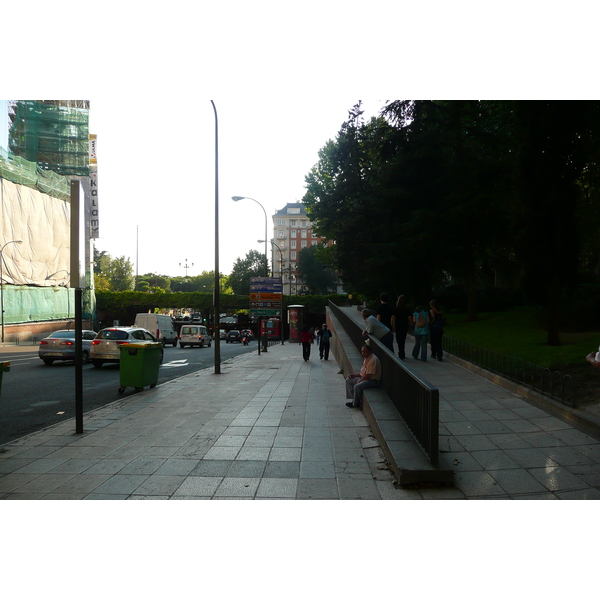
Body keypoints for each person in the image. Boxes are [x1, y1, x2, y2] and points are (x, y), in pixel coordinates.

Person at [392, 295, 411, 360]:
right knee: (403, 339)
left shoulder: (396, 309)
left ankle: (400, 352)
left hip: (398, 325)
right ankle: (402, 352)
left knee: (398, 339)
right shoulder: (407, 309)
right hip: (405, 325)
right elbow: (409, 318)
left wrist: (393, 326)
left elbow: (393, 318)